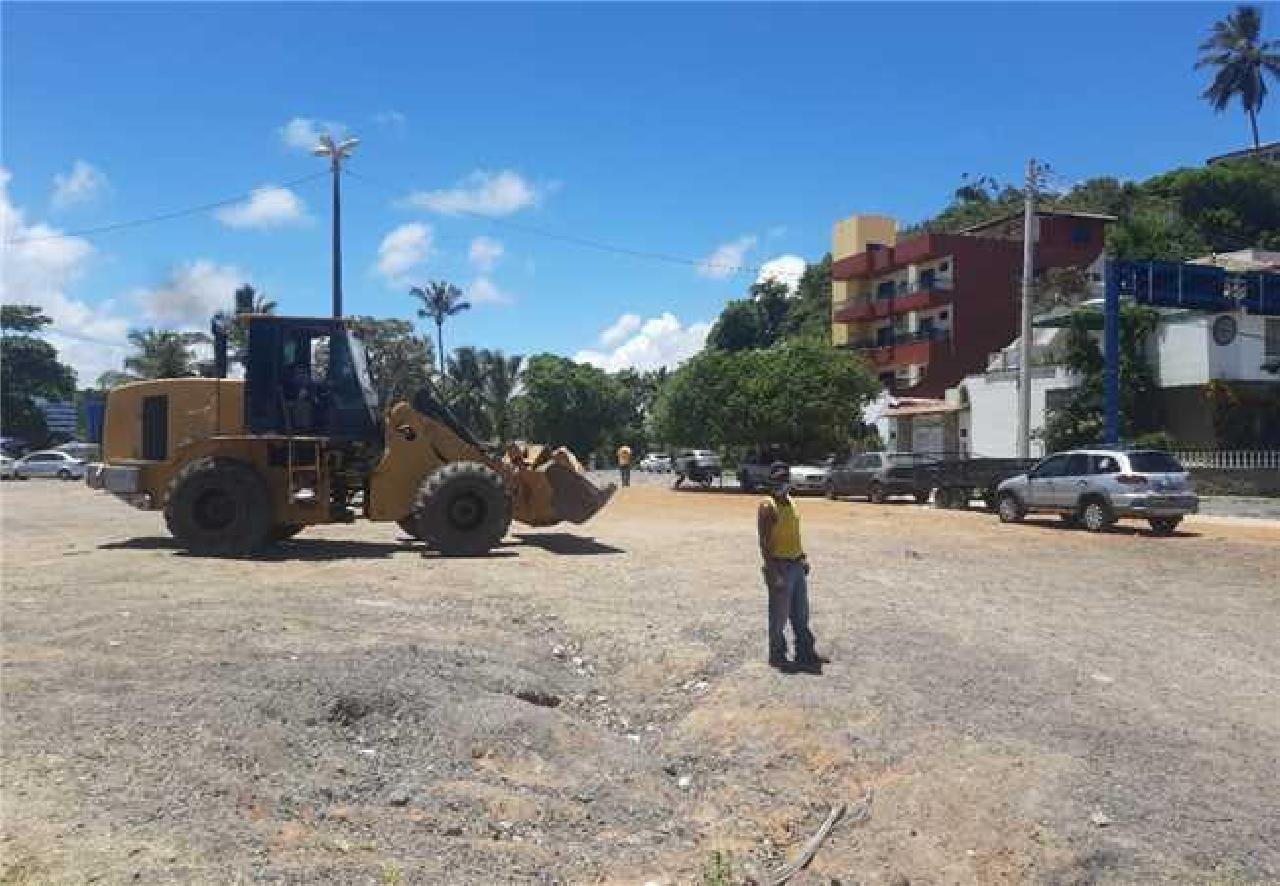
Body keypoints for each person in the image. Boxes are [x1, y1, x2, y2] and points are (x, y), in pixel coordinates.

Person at [758, 462, 822, 672]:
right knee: (779, 616)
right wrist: (773, 571)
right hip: (780, 566)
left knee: (801, 613)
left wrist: (802, 556)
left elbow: (795, 534)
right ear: (771, 482)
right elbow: (765, 543)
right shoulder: (768, 507)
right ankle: (777, 655)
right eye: (777, 480)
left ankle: (805, 651)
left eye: (784, 480)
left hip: (796, 564)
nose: (782, 484)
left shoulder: (791, 503)